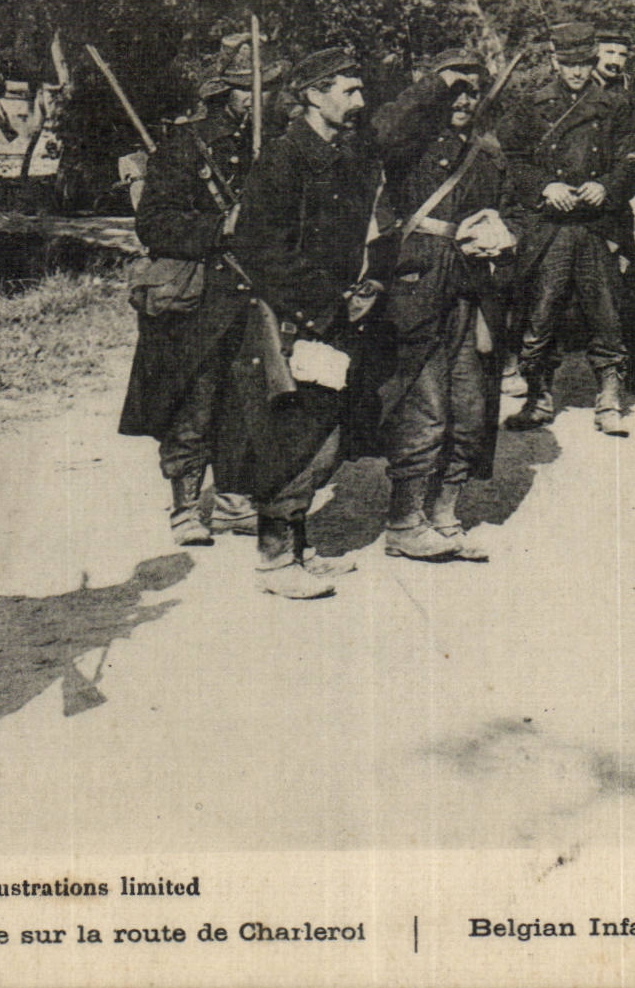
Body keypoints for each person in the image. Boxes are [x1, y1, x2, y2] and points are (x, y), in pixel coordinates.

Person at [213, 47, 388, 598]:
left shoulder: (343, 153)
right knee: (293, 440)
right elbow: (259, 248)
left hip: (331, 317)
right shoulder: (284, 158)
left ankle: (298, 548)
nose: (359, 101)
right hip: (294, 321)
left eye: (361, 89)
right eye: (348, 91)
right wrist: (329, 304)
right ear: (313, 94)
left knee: (324, 435)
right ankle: (274, 562)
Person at [119, 37, 283, 545]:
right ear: (226, 94)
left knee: (248, 400)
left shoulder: (273, 147)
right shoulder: (185, 147)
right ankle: (186, 509)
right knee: (194, 401)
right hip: (199, 297)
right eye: (249, 89)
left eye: (267, 88)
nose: (260, 98)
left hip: (254, 292)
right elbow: (154, 224)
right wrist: (221, 227)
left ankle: (235, 501)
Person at [369, 49, 516, 562]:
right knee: (425, 410)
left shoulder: (487, 153)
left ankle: (444, 514)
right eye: (454, 91)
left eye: (472, 91)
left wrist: (506, 234)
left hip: (471, 292)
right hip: (418, 289)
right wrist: (435, 85)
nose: (463, 100)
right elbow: (383, 131)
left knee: (471, 411)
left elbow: (516, 208)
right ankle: (404, 521)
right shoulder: (408, 143)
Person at [498, 22, 635, 437]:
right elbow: (511, 158)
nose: (578, 72)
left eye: (584, 63)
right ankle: (538, 399)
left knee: (606, 311)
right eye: (569, 64)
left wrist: (608, 187)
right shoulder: (531, 105)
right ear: (554, 61)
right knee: (541, 312)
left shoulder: (614, 106)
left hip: (597, 227)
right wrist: (544, 186)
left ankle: (609, 400)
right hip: (550, 229)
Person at [592, 24, 635, 401]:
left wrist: (612, 189)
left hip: (612, 206)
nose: (615, 60)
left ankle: (633, 368)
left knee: (629, 287)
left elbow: (634, 155)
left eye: (621, 54)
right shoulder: (573, 92)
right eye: (609, 53)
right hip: (570, 203)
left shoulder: (625, 93)